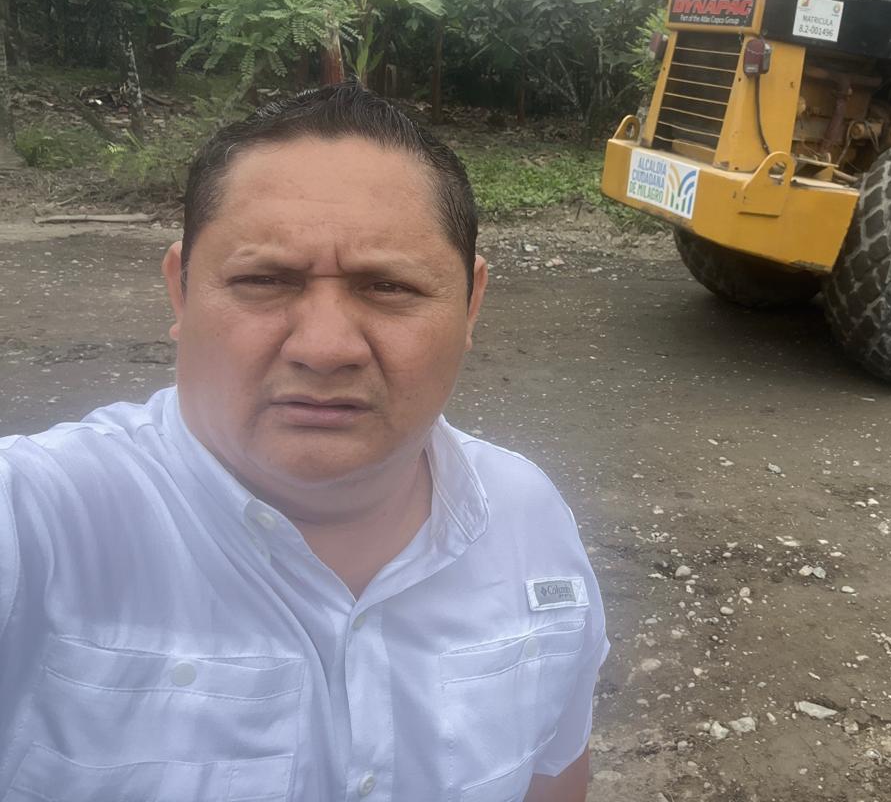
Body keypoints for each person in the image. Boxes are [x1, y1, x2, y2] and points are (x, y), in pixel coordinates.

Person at [0, 82, 608, 802]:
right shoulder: (40, 521)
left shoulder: (527, 518)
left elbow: (554, 774)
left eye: (389, 287)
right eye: (265, 280)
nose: (324, 348)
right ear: (181, 291)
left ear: (471, 304)